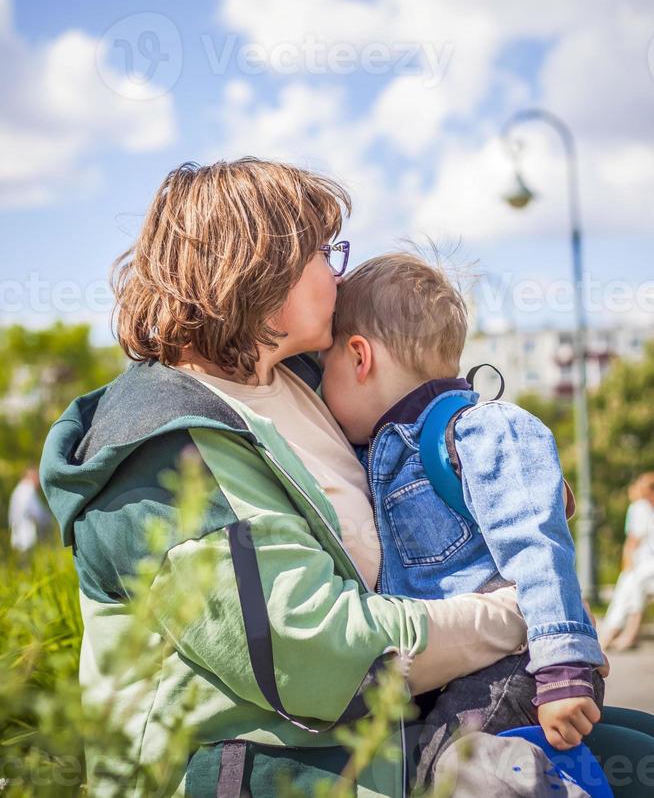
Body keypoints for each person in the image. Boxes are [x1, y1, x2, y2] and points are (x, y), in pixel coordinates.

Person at [39, 159, 654, 797]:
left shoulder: (302, 380)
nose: (338, 272)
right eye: (322, 253)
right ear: (258, 265)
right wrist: (524, 613)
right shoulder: (158, 445)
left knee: (641, 752)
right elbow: (314, 652)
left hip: (383, 739)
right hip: (261, 771)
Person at [319, 252, 604, 765]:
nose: (320, 387)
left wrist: (563, 670)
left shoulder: (481, 430)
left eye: (325, 366)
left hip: (517, 668)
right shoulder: (381, 453)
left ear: (360, 357)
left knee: (449, 772)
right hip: (456, 669)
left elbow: (537, 546)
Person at [602, 472, 654, 651]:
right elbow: (633, 541)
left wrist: (628, 565)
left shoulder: (640, 507)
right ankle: (620, 635)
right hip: (642, 565)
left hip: (643, 566)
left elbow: (633, 541)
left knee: (627, 589)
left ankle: (614, 636)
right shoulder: (642, 507)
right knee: (627, 590)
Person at [8, 466, 51, 555]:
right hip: (27, 536)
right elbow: (38, 513)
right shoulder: (28, 491)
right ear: (33, 477)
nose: (39, 483)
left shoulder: (18, 490)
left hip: (17, 535)